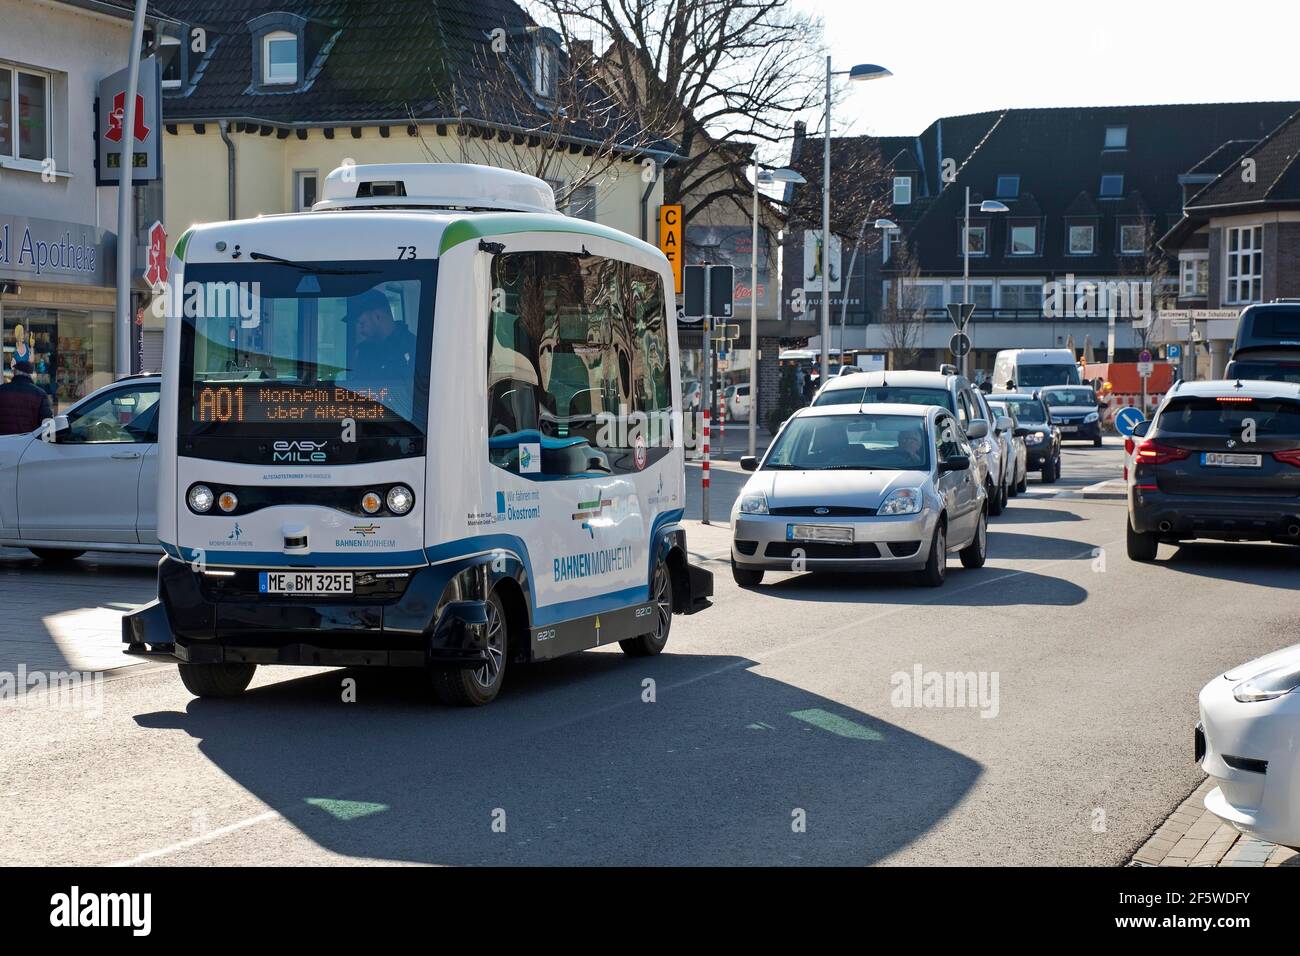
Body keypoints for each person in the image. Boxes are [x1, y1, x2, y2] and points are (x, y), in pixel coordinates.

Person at [347, 289, 416, 383]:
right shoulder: (363, 351)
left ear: (377, 316)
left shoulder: (413, 347)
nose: (359, 330)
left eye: (362, 323)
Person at [0, 360, 54, 435]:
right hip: (28, 442)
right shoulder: (39, 394)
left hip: (3, 441)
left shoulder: (2, 390)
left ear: (15, 373)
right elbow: (47, 422)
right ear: (31, 375)